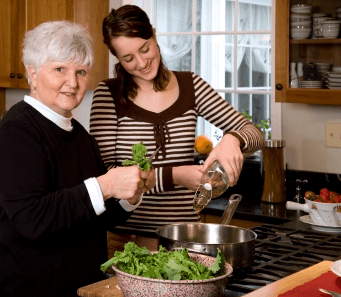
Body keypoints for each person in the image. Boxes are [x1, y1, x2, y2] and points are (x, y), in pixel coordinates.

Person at [0, 20, 155, 297]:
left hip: (75, 292)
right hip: (24, 294)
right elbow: (31, 220)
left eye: (81, 72)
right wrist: (105, 185)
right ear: (33, 74)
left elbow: (94, 216)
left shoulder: (81, 136)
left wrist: (128, 197)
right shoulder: (17, 130)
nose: (72, 83)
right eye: (60, 69)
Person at [89, 5, 264, 234]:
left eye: (145, 48)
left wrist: (233, 139)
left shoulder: (190, 86)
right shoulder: (108, 95)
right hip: (125, 239)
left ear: (153, 33)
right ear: (117, 58)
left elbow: (254, 133)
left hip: (182, 238)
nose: (141, 63)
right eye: (128, 58)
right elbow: (105, 174)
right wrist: (176, 176)